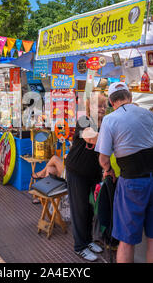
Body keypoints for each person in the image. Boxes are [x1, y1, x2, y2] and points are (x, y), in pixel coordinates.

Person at [95, 82, 153, 263]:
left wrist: (109, 170)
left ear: (112, 103)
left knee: (126, 240)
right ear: (130, 98)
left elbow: (103, 159)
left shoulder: (110, 119)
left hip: (133, 182)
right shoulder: (148, 114)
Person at [65, 92, 108, 262]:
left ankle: (88, 240)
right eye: (99, 106)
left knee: (90, 208)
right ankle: (80, 246)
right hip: (77, 171)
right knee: (80, 209)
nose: (102, 109)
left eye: (105, 106)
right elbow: (91, 138)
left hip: (93, 172)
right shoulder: (84, 121)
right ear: (91, 107)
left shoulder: (105, 123)